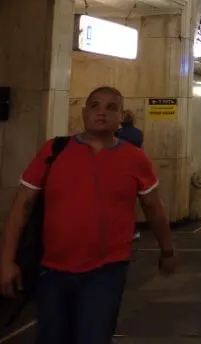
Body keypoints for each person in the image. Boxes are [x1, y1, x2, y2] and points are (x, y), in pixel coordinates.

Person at [0, 86, 176, 344]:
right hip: (51, 271)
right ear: (83, 113)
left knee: (93, 336)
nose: (101, 113)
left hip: (106, 271)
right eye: (94, 106)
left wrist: (167, 250)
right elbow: (22, 206)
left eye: (111, 107)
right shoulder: (53, 151)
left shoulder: (135, 159)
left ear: (121, 117)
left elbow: (154, 209)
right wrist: (6, 261)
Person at [116, 109, 145, 240]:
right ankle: (132, 230)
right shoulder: (139, 133)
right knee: (131, 202)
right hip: (134, 169)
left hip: (118, 169)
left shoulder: (117, 133)